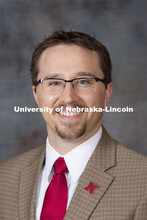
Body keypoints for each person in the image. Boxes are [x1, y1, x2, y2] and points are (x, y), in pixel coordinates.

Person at [0, 30, 147, 220]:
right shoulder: (5, 178)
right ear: (37, 94)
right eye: (54, 83)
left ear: (107, 93)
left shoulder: (142, 181)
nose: (68, 97)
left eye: (83, 81)